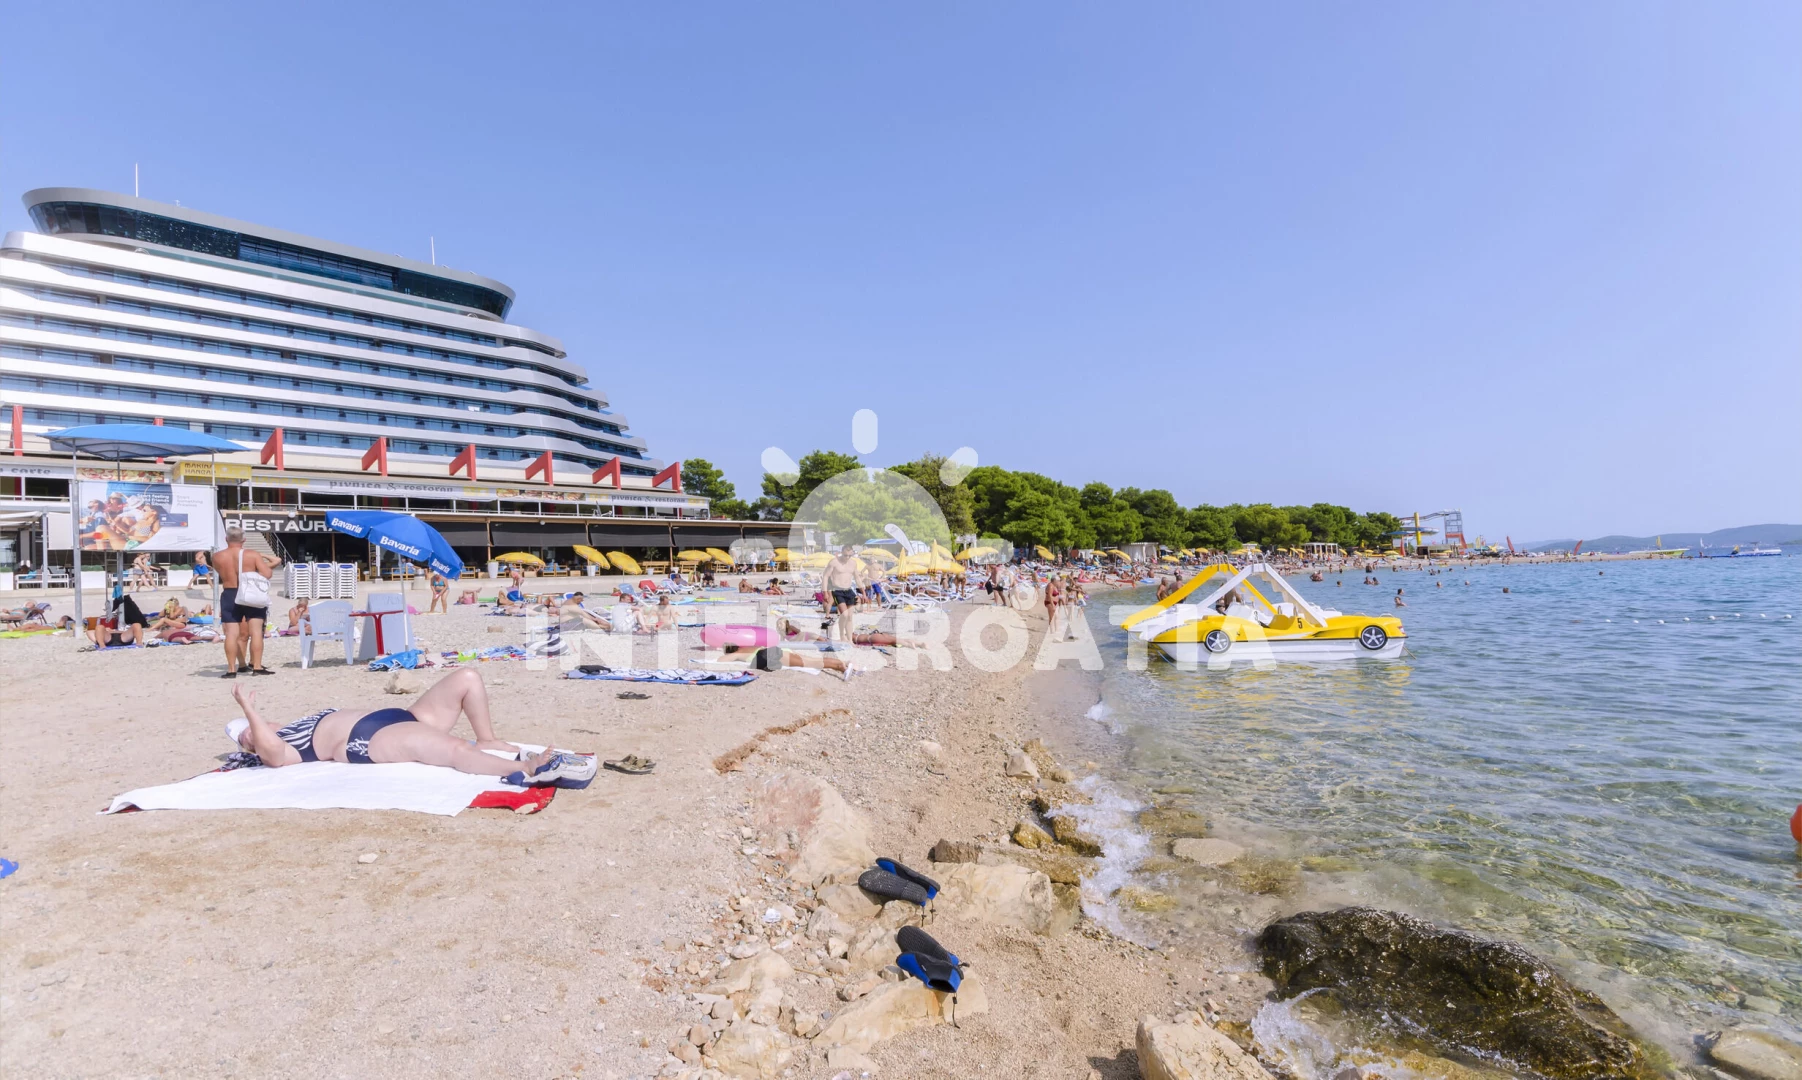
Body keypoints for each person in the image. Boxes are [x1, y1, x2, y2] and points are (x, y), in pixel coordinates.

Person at [226, 670, 593, 784]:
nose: (251, 733)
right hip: (369, 739)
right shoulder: (282, 745)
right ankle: (525, 768)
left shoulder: (295, 723)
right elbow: (272, 756)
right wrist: (249, 711)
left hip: (399, 716)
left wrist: (254, 718)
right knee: (453, 751)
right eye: (246, 738)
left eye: (250, 728)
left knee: (467, 678)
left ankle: (488, 739)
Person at [213, 525, 282, 678]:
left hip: (230, 593)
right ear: (243, 539)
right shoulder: (252, 554)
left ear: (226, 539)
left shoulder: (217, 556)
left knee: (231, 634)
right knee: (256, 631)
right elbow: (267, 574)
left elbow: (221, 573)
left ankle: (232, 669)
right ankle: (256, 666)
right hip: (250, 593)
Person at [719, 640, 858, 681]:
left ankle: (841, 667)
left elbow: (721, 660)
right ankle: (845, 663)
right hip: (776, 652)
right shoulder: (748, 647)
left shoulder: (737, 654)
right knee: (813, 660)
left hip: (771, 655)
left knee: (812, 663)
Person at [822, 546, 862, 639]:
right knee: (844, 614)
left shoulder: (853, 563)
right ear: (841, 552)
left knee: (850, 617)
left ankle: (850, 639)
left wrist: (863, 591)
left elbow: (857, 577)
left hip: (849, 590)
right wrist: (825, 592)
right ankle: (841, 635)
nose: (847, 557)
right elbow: (825, 576)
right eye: (845, 555)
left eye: (849, 555)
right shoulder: (834, 562)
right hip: (837, 590)